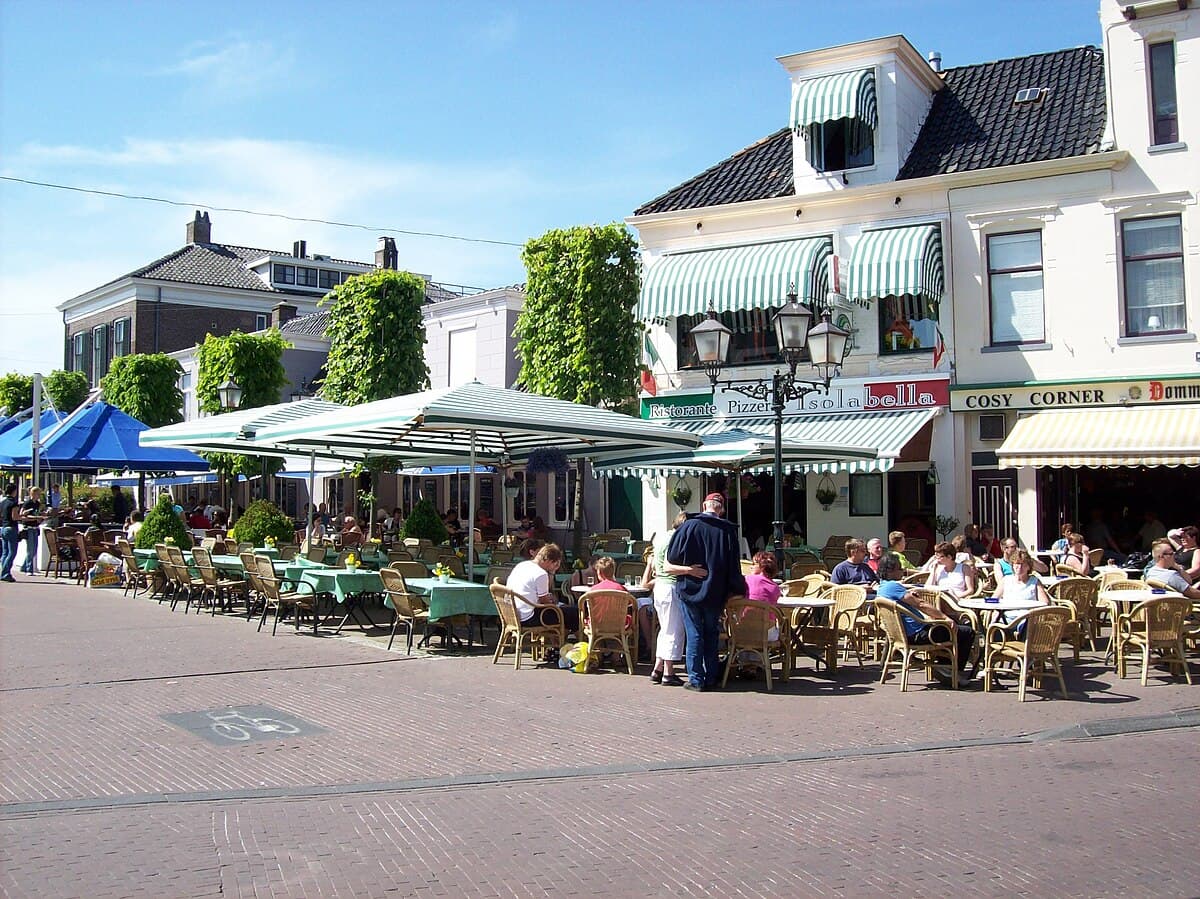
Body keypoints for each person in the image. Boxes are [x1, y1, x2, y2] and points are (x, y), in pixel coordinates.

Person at [665, 493, 746, 692]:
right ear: (722, 509)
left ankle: (695, 679)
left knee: (694, 634)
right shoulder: (727, 531)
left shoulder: (689, 526)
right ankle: (711, 677)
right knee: (711, 633)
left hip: (689, 587)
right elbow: (734, 566)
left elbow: (672, 555)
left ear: (704, 505)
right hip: (715, 591)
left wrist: (689, 569)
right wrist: (736, 589)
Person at [876, 552, 975, 682]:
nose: (903, 571)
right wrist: (944, 618)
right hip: (918, 635)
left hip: (902, 635)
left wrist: (910, 594)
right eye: (900, 568)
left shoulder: (882, 587)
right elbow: (921, 605)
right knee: (967, 632)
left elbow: (909, 600)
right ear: (890, 571)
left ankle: (944, 667)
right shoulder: (894, 586)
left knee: (951, 630)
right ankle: (952, 672)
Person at [643, 513, 686, 687]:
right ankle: (669, 672)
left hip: (659, 585)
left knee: (665, 628)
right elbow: (671, 566)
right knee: (673, 630)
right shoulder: (675, 540)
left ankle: (657, 668)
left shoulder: (661, 538)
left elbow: (655, 564)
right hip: (671, 586)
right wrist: (691, 570)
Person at [505, 542, 579, 636]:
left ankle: (558, 643)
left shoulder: (521, 565)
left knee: (567, 612)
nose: (556, 566)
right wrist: (555, 604)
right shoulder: (541, 574)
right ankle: (572, 643)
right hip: (529, 618)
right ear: (549, 560)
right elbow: (545, 601)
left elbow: (542, 594)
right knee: (574, 613)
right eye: (555, 563)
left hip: (514, 614)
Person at [19, 486, 43, 575]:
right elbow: (22, 514)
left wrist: (41, 517)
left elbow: (38, 513)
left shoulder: (37, 503)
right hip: (28, 528)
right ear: (32, 494)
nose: (39, 495)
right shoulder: (27, 503)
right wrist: (30, 513)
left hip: (35, 528)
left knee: (34, 549)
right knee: (30, 549)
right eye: (38, 494)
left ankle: (24, 566)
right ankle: (29, 569)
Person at [1, 483, 20, 582]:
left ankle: (3, 571)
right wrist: (23, 517)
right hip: (12, 528)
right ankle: (5, 573)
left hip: (4, 527)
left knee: (5, 552)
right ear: (14, 491)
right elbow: (15, 517)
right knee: (12, 552)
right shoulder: (13, 503)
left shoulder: (3, 502)